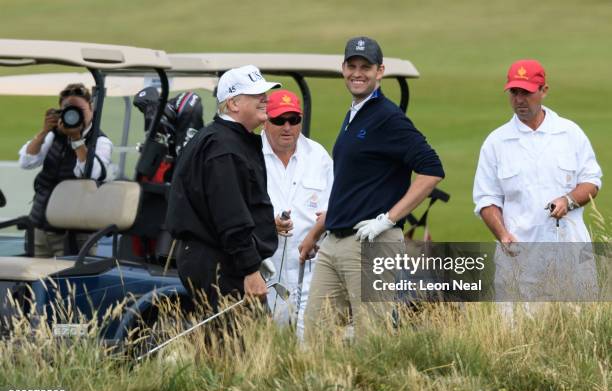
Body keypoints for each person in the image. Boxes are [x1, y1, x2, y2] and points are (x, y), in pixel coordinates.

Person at [303, 37, 445, 339]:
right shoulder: (355, 113)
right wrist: (317, 232)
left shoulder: (388, 117)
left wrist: (389, 218)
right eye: (352, 66)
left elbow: (432, 170)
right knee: (315, 333)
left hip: (373, 243)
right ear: (343, 69)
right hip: (335, 243)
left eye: (365, 67)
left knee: (372, 338)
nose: (358, 73)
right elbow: (350, 187)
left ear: (380, 71)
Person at [166, 65, 280, 311]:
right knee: (246, 343)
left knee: (225, 344)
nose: (265, 98)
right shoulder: (224, 147)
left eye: (265, 93)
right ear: (233, 103)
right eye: (256, 94)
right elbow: (230, 215)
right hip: (220, 262)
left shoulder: (223, 139)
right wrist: (250, 267)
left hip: (216, 257)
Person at [473, 59, 602, 244]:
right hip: (520, 253)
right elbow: (486, 198)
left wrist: (568, 200)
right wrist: (502, 235)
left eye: (526, 92)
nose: (519, 100)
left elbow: (592, 181)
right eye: (514, 92)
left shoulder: (569, 133)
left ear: (544, 91)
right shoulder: (496, 142)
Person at [261, 90, 333, 337]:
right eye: (279, 120)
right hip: (266, 268)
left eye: (294, 120)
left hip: (311, 266)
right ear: (265, 120)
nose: (287, 127)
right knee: (270, 343)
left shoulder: (318, 156)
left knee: (310, 341)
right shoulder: (250, 155)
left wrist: (319, 229)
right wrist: (267, 224)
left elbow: (333, 206)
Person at [18, 83, 113, 258]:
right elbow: (27, 161)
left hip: (75, 234)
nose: (73, 115)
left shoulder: (100, 141)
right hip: (40, 225)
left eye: (79, 110)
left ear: (91, 109)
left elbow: (92, 173)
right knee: (36, 281)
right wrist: (44, 132)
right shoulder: (54, 134)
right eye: (68, 110)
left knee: (72, 284)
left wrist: (76, 140)